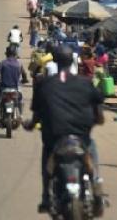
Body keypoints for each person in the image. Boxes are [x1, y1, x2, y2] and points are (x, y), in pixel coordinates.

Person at [24, 45, 105, 214]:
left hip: (54, 139)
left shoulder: (43, 84)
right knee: (91, 147)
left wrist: (30, 125)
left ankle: (46, 195)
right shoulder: (86, 83)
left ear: (54, 60)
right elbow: (99, 112)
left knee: (47, 156)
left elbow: (37, 114)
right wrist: (97, 119)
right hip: (81, 138)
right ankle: (96, 180)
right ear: (74, 62)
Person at [0, 45, 28, 127]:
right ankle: (20, 116)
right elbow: (24, 75)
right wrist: (25, 80)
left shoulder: (1, 63)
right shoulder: (19, 64)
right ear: (16, 54)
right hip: (15, 89)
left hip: (3, 89)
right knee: (21, 100)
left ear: (6, 54)